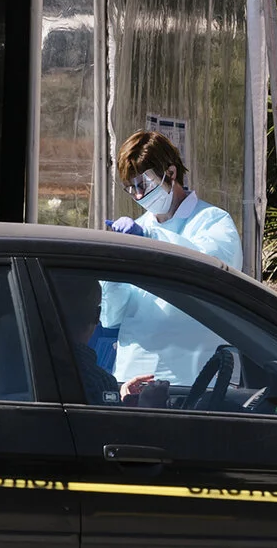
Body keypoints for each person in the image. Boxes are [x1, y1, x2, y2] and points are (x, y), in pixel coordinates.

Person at [91, 131, 242, 394]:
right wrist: (113, 273)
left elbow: (209, 267)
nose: (138, 196)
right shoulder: (138, 230)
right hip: (133, 377)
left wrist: (149, 239)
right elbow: (111, 317)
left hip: (193, 378)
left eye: (144, 184)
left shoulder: (213, 221)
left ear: (171, 173)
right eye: (131, 189)